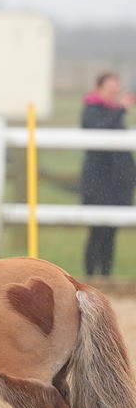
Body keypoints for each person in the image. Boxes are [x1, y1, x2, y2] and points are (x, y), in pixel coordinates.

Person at [79, 72, 136, 277]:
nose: (114, 95)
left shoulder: (113, 113)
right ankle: (91, 276)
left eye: (116, 91)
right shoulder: (91, 110)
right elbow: (99, 130)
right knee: (97, 232)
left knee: (111, 235)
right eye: (110, 90)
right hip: (98, 184)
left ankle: (106, 276)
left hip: (117, 185)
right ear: (98, 88)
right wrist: (121, 109)